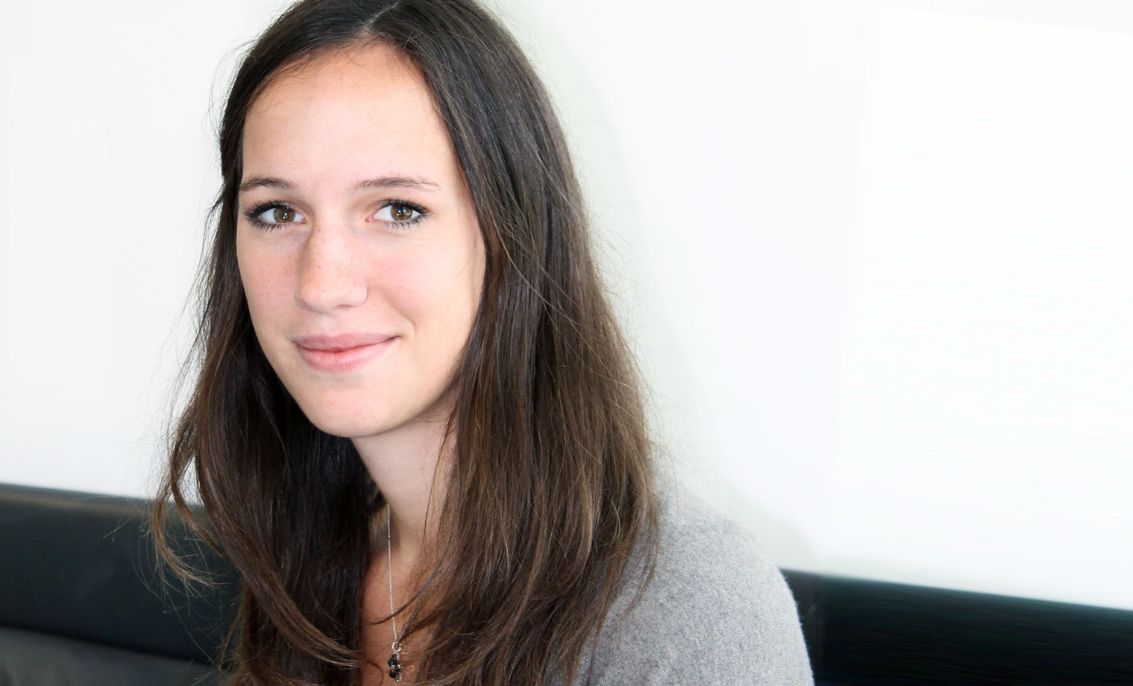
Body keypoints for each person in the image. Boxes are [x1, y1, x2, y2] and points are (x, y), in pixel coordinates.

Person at [152, 1, 815, 684]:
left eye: (398, 210)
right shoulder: (313, 552)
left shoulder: (686, 604)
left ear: (512, 234)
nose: (321, 283)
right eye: (277, 212)